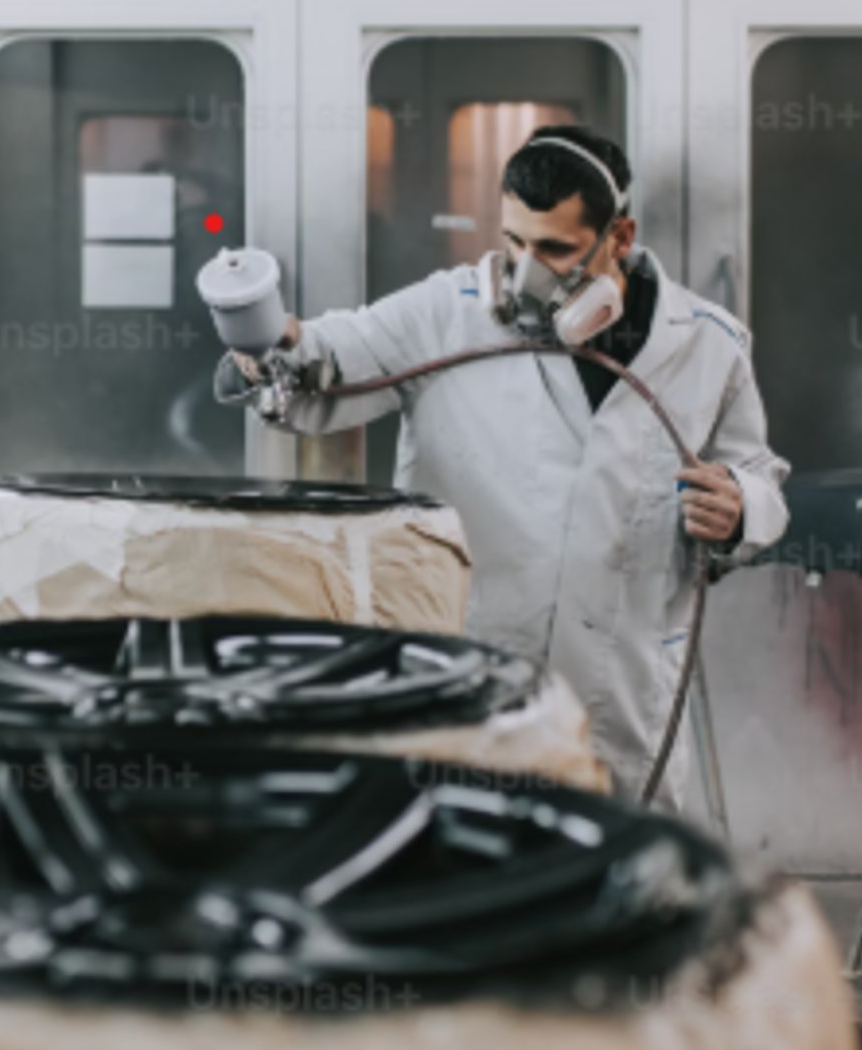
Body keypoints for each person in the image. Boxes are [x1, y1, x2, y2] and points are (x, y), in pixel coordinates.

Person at [240, 126, 789, 811]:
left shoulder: (708, 344)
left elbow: (759, 475)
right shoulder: (448, 314)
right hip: (471, 667)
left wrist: (740, 506)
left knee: (611, 860)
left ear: (619, 237)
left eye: (554, 249)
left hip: (623, 687)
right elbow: (329, 359)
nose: (527, 272)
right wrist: (272, 342)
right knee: (465, 849)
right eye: (513, 243)